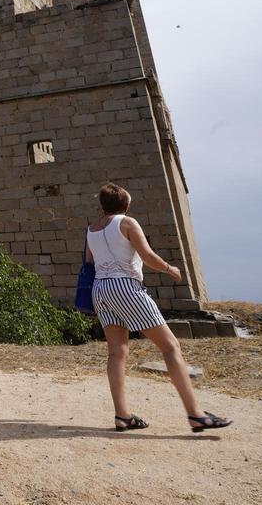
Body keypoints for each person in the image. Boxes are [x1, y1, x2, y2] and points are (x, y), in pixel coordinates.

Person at [87, 182, 232, 433]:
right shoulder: (127, 223)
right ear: (125, 204)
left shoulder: (91, 229)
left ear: (103, 205)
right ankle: (195, 414)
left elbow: (89, 261)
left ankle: (122, 415)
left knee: (116, 353)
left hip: (100, 289)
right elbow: (147, 256)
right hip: (126, 287)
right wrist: (169, 268)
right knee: (170, 346)